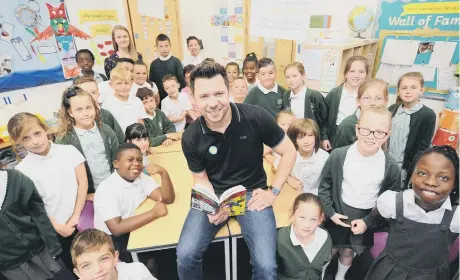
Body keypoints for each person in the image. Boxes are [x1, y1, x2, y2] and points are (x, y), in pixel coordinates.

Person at [177, 62, 296, 280]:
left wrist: (274, 191)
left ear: (229, 91)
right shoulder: (190, 137)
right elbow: (200, 178)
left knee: (266, 267)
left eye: (219, 93)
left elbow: (289, 151)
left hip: (252, 193)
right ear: (193, 98)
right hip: (215, 194)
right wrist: (213, 206)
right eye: (204, 96)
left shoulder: (256, 117)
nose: (213, 103)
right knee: (185, 255)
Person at [318, 106, 401, 280]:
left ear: (387, 134)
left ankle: (340, 276)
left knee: (348, 251)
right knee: (327, 249)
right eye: (366, 130)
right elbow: (325, 185)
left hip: (364, 217)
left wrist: (368, 221)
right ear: (357, 128)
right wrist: (330, 212)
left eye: (379, 132)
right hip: (338, 214)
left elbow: (388, 202)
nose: (371, 137)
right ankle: (322, 273)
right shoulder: (338, 155)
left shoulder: (391, 167)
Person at [8, 113, 88, 273]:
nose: (35, 141)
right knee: (76, 269)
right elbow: (33, 208)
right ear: (17, 141)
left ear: (45, 129)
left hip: (83, 219)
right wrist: (58, 227)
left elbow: (82, 182)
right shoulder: (21, 172)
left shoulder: (68, 151)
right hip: (56, 231)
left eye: (37, 133)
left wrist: (75, 216)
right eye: (26, 138)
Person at [366, 145, 459, 280]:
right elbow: (376, 215)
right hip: (389, 271)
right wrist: (364, 222)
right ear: (411, 175)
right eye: (422, 173)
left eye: (443, 177)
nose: (431, 182)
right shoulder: (391, 202)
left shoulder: (456, 217)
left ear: (454, 183)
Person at [93, 143, 175, 262]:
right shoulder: (107, 189)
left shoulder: (140, 177)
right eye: (130, 160)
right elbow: (117, 229)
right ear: (116, 164)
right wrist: (153, 213)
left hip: (133, 225)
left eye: (139, 160)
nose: (136, 163)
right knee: (152, 258)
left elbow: (167, 198)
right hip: (112, 240)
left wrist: (163, 173)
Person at [0, 169, 74, 280]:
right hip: (11, 266)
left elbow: (39, 215)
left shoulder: (14, 179)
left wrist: (54, 247)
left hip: (43, 250)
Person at [56, 86, 119, 195]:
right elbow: (65, 173)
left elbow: (117, 158)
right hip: (88, 195)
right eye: (79, 109)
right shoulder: (64, 139)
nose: (86, 113)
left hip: (114, 186)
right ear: (70, 113)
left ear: (95, 108)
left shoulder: (106, 130)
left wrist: (116, 184)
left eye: (89, 107)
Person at [388, 72, 436, 186]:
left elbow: (423, 147)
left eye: (413, 87)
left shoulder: (428, 115)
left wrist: (414, 169)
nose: (408, 91)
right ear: (398, 91)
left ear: (422, 90)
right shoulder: (392, 109)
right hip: (387, 162)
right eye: (404, 88)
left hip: (405, 167)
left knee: (398, 193)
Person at [277, 193, 332, 280]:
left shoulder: (324, 238)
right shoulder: (280, 239)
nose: (307, 225)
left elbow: (323, 266)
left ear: (320, 219)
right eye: (302, 217)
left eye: (313, 219)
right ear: (293, 215)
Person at [71, 229, 156, 280]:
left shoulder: (137, 273)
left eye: (104, 259)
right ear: (78, 273)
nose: (97, 270)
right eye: (86, 266)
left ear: (115, 257)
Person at [324, 56, 369, 151]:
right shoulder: (334, 93)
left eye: (361, 72)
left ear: (366, 75)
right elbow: (323, 119)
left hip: (357, 138)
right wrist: (324, 137)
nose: (356, 75)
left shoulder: (368, 96)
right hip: (335, 137)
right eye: (352, 71)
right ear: (345, 74)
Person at [276, 119, 329, 195]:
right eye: (300, 137)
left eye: (310, 135)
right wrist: (288, 179)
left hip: (316, 197)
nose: (306, 141)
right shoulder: (290, 154)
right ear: (294, 140)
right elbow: (276, 166)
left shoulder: (325, 157)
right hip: (293, 194)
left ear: (315, 136)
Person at [333, 79, 389, 149]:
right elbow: (339, 155)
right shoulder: (347, 126)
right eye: (367, 98)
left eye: (378, 98)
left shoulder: (385, 124)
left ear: (386, 101)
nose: (372, 103)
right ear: (358, 101)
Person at [283, 62, 327, 147]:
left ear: (303, 76)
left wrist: (324, 138)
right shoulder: (286, 95)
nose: (291, 80)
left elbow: (324, 119)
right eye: (288, 77)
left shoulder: (314, 95)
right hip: (293, 137)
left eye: (294, 76)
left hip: (311, 138)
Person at [73, 76, 125, 143]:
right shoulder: (73, 116)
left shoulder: (106, 114)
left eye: (93, 92)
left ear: (98, 95)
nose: (90, 96)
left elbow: (120, 139)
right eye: (85, 93)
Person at [101, 67, 148, 133]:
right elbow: (107, 128)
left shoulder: (137, 101)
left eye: (126, 83)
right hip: (118, 141)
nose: (123, 87)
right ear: (111, 85)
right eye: (119, 83)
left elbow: (141, 122)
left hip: (135, 139)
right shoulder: (107, 105)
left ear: (132, 83)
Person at [149, 34, 186, 101]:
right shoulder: (154, 64)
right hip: (161, 99)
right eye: (161, 46)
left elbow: (181, 80)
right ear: (157, 47)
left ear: (170, 46)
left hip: (176, 97)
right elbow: (152, 83)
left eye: (166, 46)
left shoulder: (176, 61)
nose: (164, 49)